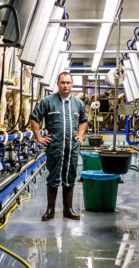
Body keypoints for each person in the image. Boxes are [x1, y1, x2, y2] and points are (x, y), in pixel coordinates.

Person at [30, 72, 88, 221]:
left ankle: (68, 210)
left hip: (72, 148)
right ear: (58, 84)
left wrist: (80, 136)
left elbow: (84, 120)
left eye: (68, 82)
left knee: (70, 176)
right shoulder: (48, 101)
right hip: (55, 147)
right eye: (63, 82)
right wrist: (39, 138)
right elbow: (34, 119)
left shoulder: (78, 103)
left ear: (72, 84)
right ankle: (50, 210)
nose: (66, 85)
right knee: (53, 177)